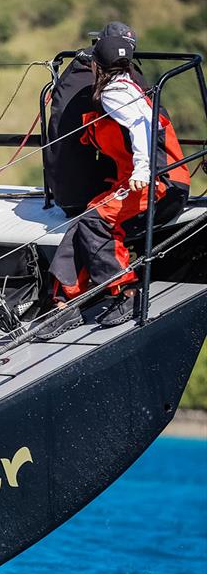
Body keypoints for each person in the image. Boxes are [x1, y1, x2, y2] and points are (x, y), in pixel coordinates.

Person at [38, 34, 190, 337]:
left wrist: (144, 169)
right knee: (84, 222)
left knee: (95, 221)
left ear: (96, 66)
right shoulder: (131, 86)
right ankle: (66, 302)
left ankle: (128, 291)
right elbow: (149, 120)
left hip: (158, 183)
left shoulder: (112, 93)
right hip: (160, 179)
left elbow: (143, 125)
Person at [46, 21, 142, 217]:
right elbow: (152, 121)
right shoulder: (117, 84)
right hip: (94, 195)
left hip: (62, 193)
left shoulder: (72, 71)